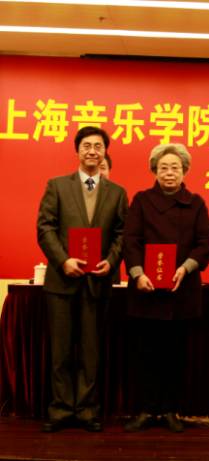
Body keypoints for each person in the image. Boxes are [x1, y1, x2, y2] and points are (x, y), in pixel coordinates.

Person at [37, 126, 128, 432]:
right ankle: (61, 409)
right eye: (86, 145)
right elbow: (45, 228)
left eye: (98, 146)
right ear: (77, 151)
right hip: (61, 282)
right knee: (61, 351)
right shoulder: (57, 186)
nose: (92, 151)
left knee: (91, 351)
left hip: (97, 282)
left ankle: (87, 410)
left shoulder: (117, 193)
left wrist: (111, 261)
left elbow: (122, 234)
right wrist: (63, 260)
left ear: (105, 152)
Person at [122, 144, 209, 433]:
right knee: (146, 353)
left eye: (175, 167)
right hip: (146, 290)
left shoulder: (196, 203)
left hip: (181, 290)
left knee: (176, 354)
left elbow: (206, 241)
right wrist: (137, 274)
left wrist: (186, 267)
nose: (169, 172)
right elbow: (130, 239)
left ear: (185, 171)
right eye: (163, 167)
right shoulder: (141, 200)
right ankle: (147, 409)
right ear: (154, 171)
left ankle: (170, 409)